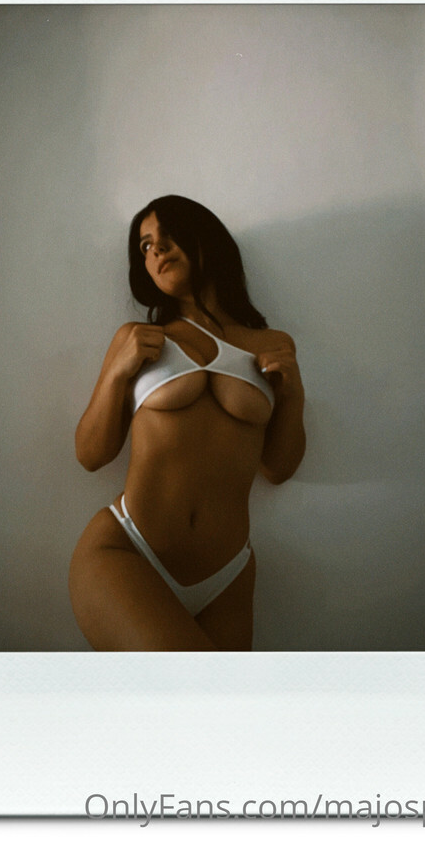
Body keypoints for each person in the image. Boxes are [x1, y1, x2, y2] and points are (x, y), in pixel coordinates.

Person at [69, 195, 305, 651]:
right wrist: (117, 372)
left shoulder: (273, 345)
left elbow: (278, 469)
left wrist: (293, 394)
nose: (156, 249)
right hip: (126, 552)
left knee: (223, 700)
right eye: (145, 245)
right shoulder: (138, 339)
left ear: (205, 238)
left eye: (168, 234)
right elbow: (90, 455)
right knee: (193, 689)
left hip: (228, 577)